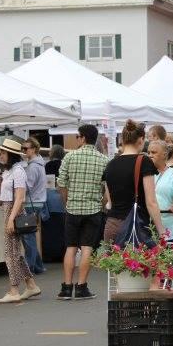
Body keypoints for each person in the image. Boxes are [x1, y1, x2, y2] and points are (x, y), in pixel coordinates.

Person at [57, 124, 107, 301]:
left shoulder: (69, 157)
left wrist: (66, 201)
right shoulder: (103, 160)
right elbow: (105, 190)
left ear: (84, 138)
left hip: (73, 208)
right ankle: (81, 287)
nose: (77, 139)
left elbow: (61, 183)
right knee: (87, 248)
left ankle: (66, 287)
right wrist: (101, 203)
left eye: (78, 136)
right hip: (93, 210)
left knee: (70, 247)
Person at [0, 137, 40, 304]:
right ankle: (30, 284)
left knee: (10, 252)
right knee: (14, 252)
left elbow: (20, 198)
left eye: (3, 152)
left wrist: (11, 218)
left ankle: (14, 289)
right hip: (10, 209)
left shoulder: (18, 171)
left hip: (12, 210)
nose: (0, 155)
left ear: (10, 154)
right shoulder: (11, 170)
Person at [102, 120, 165, 247]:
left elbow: (109, 201)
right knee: (138, 266)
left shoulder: (110, 164)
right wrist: (161, 232)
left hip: (112, 225)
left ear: (123, 140)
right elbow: (151, 202)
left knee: (115, 266)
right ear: (141, 140)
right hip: (135, 226)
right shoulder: (144, 161)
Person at [149, 141, 173, 241]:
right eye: (149, 152)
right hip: (147, 229)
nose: (150, 155)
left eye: (154, 152)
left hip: (169, 229)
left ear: (164, 154)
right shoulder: (146, 174)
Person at [21, 138, 48, 274]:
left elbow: (27, 187)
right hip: (37, 202)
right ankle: (38, 266)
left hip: (31, 204)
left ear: (33, 149)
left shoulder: (32, 167)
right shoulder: (39, 164)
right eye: (23, 149)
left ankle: (28, 268)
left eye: (26, 149)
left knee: (28, 236)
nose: (24, 151)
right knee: (30, 234)